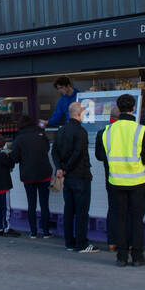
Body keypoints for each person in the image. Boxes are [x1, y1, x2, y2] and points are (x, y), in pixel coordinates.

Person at [97, 93, 145, 266]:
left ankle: (121, 256)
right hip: (138, 182)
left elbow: (100, 156)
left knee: (119, 218)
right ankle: (137, 256)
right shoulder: (141, 130)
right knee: (136, 219)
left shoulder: (105, 132)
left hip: (115, 182)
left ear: (118, 108)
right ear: (134, 108)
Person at [52, 101, 96, 252]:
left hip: (67, 178)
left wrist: (60, 168)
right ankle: (82, 243)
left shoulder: (61, 130)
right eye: (83, 112)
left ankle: (69, 242)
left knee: (69, 210)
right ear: (78, 113)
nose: (84, 114)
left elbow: (54, 151)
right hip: (81, 175)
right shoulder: (81, 132)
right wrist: (65, 168)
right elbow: (78, 153)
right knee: (82, 212)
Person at [9, 115, 54, 239]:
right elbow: (47, 148)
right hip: (44, 173)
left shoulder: (19, 138)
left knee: (31, 204)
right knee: (44, 204)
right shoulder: (40, 134)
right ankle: (46, 231)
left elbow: (14, 158)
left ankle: (33, 232)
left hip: (28, 175)